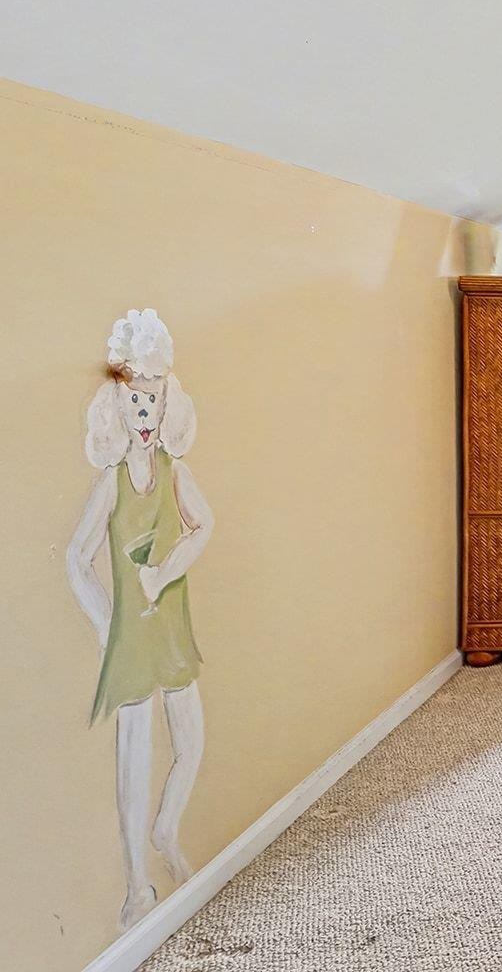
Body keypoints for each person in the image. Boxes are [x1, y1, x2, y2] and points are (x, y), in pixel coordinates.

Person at [66, 309, 212, 930]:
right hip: (131, 634)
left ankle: (166, 829)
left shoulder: (177, 473)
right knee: (134, 761)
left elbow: (203, 527)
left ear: (167, 404)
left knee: (191, 743)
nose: (145, 413)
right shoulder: (111, 483)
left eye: (153, 400)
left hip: (171, 626)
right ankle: (135, 886)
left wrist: (166, 570)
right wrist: (107, 625)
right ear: (118, 411)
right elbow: (77, 558)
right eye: (134, 402)